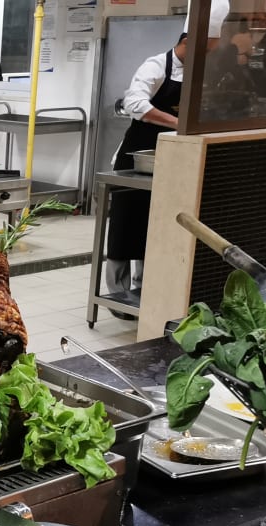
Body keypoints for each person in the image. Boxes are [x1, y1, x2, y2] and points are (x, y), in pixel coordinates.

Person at [104, 32, 189, 319]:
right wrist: (178, 123)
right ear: (186, 42)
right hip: (134, 159)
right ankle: (117, 295)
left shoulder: (198, 73)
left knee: (152, 227)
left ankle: (144, 290)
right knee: (124, 226)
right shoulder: (156, 66)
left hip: (170, 160)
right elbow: (135, 104)